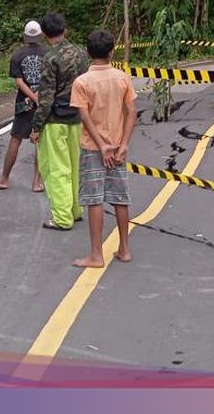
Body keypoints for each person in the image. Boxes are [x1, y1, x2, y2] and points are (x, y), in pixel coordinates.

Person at [69, 29, 137, 268]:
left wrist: (101, 145)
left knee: (94, 199)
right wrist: (123, 144)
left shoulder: (82, 82)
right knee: (120, 197)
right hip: (118, 147)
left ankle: (96, 255)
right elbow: (131, 112)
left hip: (92, 148)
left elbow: (84, 115)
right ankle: (125, 248)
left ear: (88, 52)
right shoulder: (122, 78)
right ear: (111, 52)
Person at [30, 12, 89, 230]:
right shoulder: (81, 53)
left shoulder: (50, 58)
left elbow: (46, 97)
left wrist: (36, 126)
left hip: (55, 119)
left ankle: (62, 217)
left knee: (57, 169)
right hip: (77, 117)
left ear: (45, 34)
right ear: (65, 30)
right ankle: (75, 209)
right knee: (74, 166)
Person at [0, 20, 46, 191]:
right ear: (41, 35)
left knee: (16, 138)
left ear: (25, 36)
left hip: (23, 103)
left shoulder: (18, 55)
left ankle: (4, 178)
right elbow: (49, 79)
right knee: (41, 141)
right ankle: (37, 182)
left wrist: (31, 96)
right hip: (44, 102)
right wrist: (38, 96)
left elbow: (19, 82)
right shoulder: (48, 54)